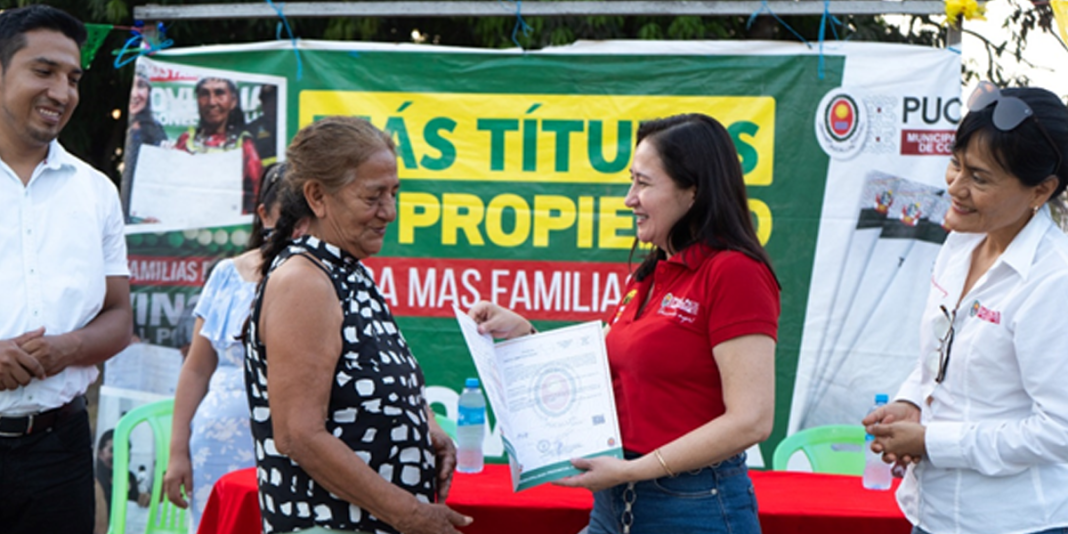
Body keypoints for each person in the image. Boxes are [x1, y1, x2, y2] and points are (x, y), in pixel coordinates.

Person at [468, 113, 780, 534]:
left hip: (695, 508)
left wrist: (634, 471)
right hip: (616, 504)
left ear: (694, 191)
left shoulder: (734, 272)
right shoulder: (651, 274)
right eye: (631, 181)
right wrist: (525, 334)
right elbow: (608, 383)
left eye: (644, 183)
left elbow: (752, 420)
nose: (629, 198)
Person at [244, 116, 471, 534]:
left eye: (394, 193)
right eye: (373, 196)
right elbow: (299, 434)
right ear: (317, 196)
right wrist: (409, 513)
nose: (390, 211)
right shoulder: (304, 281)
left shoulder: (344, 271)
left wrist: (425, 427)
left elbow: (359, 389)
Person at [864, 83, 1068, 534]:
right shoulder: (959, 244)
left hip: (1018, 523)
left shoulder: (1054, 279)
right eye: (955, 164)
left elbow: (1060, 430)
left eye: (980, 178)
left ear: (1041, 190)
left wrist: (933, 441)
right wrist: (910, 403)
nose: (955, 186)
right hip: (931, 513)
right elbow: (938, 359)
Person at [0, 6, 132, 533]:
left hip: (60, 450)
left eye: (73, 79)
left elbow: (119, 318)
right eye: (44, 71)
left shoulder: (96, 190)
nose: (62, 92)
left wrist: (64, 351)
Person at [162, 162, 289, 530]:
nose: (298, 228)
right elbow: (198, 368)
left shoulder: (327, 279)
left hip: (295, 445)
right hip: (217, 444)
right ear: (264, 215)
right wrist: (177, 451)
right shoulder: (228, 276)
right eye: (287, 216)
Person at [174, 76, 263, 214]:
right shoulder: (186, 141)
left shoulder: (244, 144)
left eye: (219, 93)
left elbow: (256, 195)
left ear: (233, 101)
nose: (212, 102)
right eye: (204, 94)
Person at [120, 63, 167, 221]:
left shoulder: (156, 131)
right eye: (132, 86)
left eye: (141, 86)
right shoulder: (125, 128)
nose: (135, 94)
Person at [94, 429, 150, 515]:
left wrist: (144, 499)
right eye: (112, 450)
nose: (117, 455)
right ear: (100, 453)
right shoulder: (94, 480)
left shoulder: (130, 478)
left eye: (123, 450)